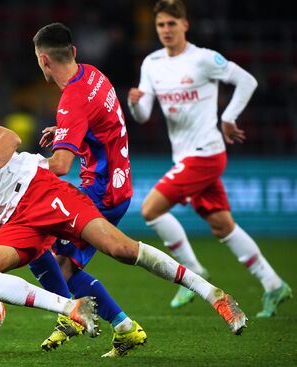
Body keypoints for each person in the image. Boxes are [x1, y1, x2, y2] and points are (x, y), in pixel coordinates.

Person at [0, 95, 248, 352]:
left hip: (38, 189)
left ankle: (214, 295)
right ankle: (71, 309)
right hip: (16, 220)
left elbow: (8, 138)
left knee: (120, 249)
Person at [127, 0, 291, 316]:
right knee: (222, 226)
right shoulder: (152, 64)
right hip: (185, 156)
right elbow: (144, 114)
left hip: (206, 153)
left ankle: (193, 270)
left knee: (150, 209)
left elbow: (247, 80)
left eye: (172, 24)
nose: (166, 30)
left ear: (185, 25)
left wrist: (229, 117)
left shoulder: (202, 59)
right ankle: (273, 284)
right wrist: (135, 103)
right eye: (161, 25)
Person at [27, 22, 143, 358]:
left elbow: (61, 166)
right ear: (73, 53)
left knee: (40, 251)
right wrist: (64, 130)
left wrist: (17, 165)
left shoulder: (72, 99)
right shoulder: (92, 74)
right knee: (62, 262)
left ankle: (72, 318)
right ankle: (122, 327)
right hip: (118, 184)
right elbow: (102, 119)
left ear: (44, 60)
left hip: (101, 192)